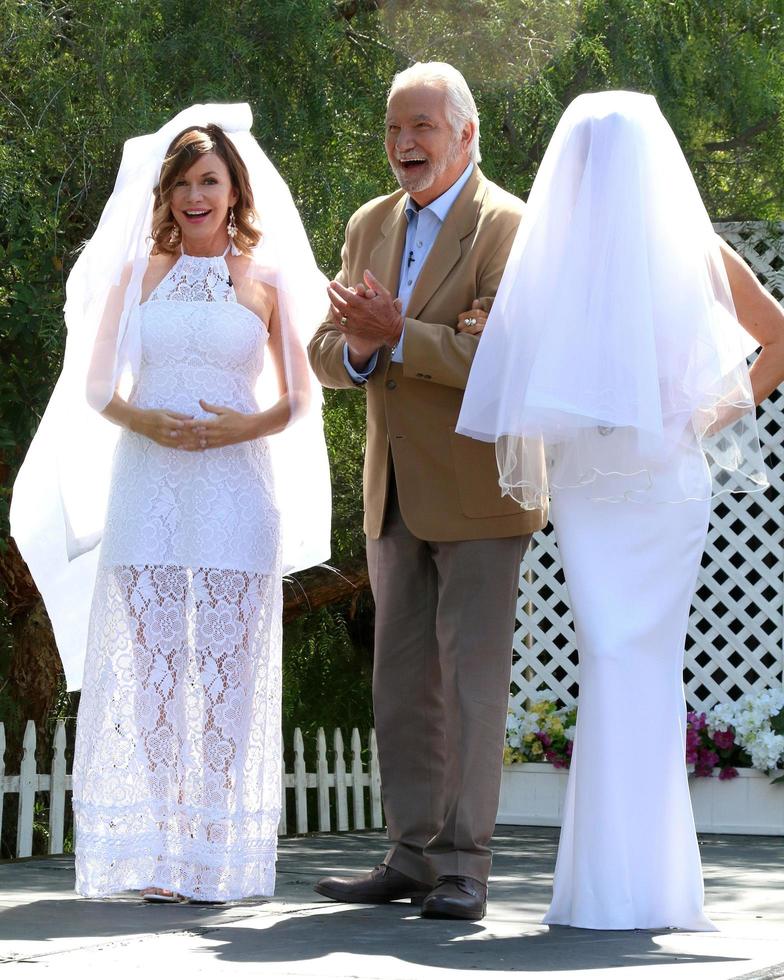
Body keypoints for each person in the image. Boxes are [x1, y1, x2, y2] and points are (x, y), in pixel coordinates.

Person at [457, 90, 784, 930]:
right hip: (588, 487)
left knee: (642, 660)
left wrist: (702, 417)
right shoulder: (553, 258)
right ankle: (606, 887)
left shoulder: (692, 249)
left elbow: (777, 335)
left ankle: (652, 887)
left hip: (666, 486)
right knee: (607, 653)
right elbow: (514, 372)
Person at [11, 104, 331, 902]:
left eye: (210, 181)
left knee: (225, 670)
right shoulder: (137, 271)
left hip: (237, 485)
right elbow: (93, 386)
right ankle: (156, 849)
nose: (196, 194)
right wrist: (141, 416)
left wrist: (239, 429)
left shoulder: (268, 280)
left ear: (234, 190)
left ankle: (214, 850)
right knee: (155, 668)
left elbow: (299, 400)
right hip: (146, 482)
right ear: (167, 193)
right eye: (183, 182)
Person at [307, 62, 546, 922]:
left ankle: (464, 868)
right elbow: (325, 353)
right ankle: (410, 855)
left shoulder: (511, 227)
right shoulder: (370, 223)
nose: (404, 144)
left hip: (482, 492)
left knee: (471, 683)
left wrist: (401, 335)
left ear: (466, 134)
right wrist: (368, 349)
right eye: (393, 128)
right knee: (401, 683)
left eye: (423, 128)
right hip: (392, 489)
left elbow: (508, 362)